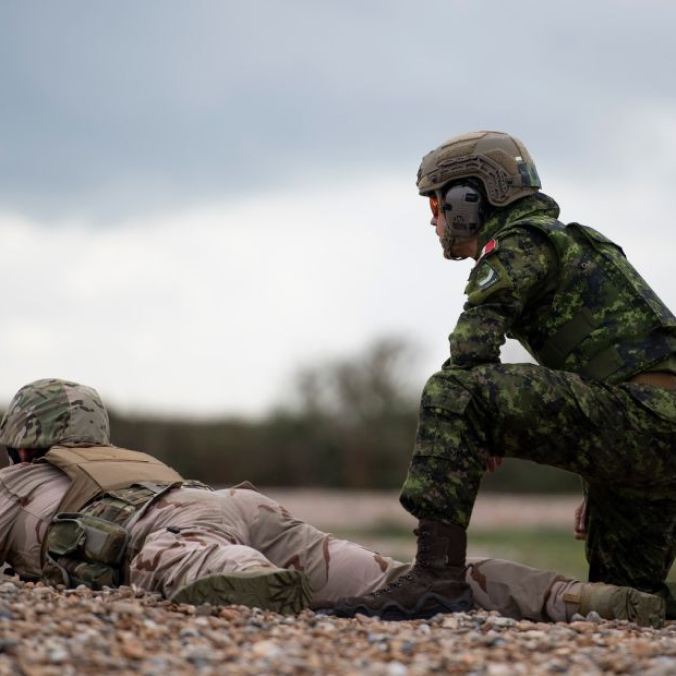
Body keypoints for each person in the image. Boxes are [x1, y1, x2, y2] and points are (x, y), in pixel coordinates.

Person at [334, 130, 676, 621]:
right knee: (625, 599)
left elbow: (471, 351)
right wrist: (604, 469)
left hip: (643, 425)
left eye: (437, 206)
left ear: (469, 199)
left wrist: (477, 422)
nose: (435, 222)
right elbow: (623, 372)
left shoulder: (521, 241)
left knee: (452, 390)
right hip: (651, 434)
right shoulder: (567, 241)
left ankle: (434, 577)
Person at [0, 378, 665, 626]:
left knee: (189, 561)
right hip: (231, 502)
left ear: (24, 446)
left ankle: (261, 585)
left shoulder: (19, 483)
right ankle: (578, 599)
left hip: (173, 526)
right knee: (400, 580)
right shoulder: (126, 461)